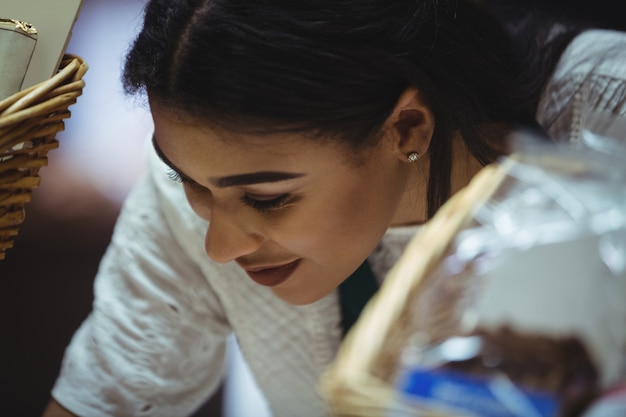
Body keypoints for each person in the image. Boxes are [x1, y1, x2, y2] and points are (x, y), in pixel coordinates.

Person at [42, 0, 626, 416]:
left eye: (268, 199)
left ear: (406, 126)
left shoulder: (608, 116)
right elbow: (109, 395)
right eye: (186, 180)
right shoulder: (196, 185)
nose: (219, 247)